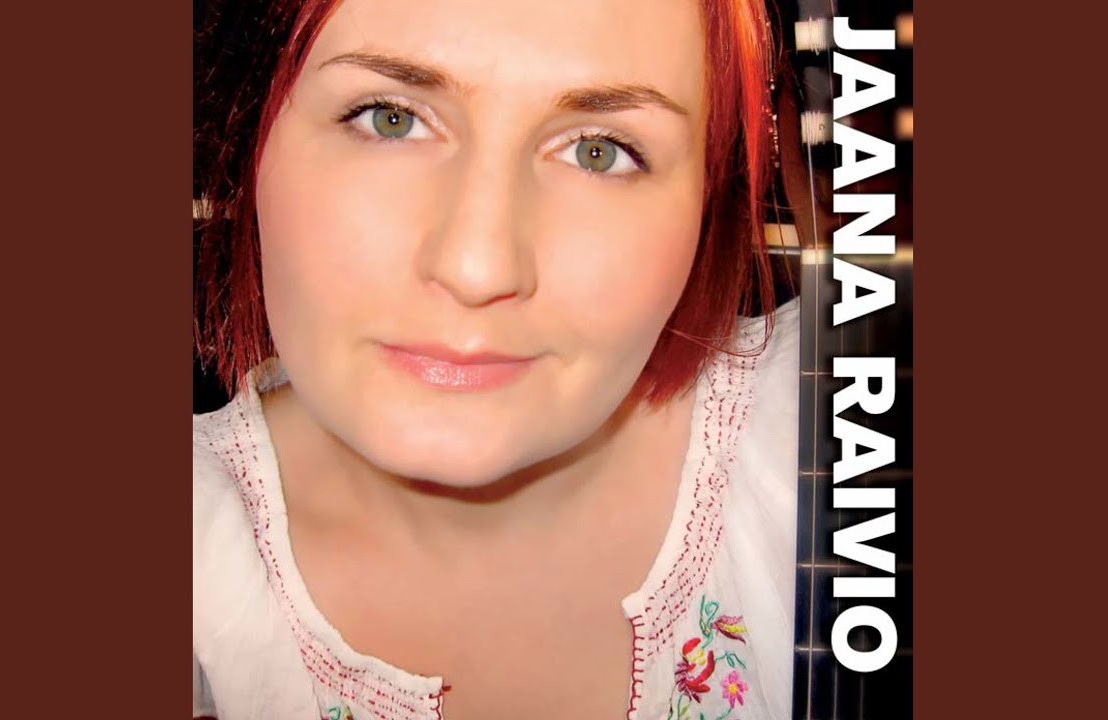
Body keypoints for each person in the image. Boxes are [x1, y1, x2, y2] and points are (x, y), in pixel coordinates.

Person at [192, 0, 798, 718]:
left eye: (598, 151)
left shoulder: (842, 442)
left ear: (709, 192)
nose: (477, 268)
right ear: (251, 130)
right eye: (390, 118)